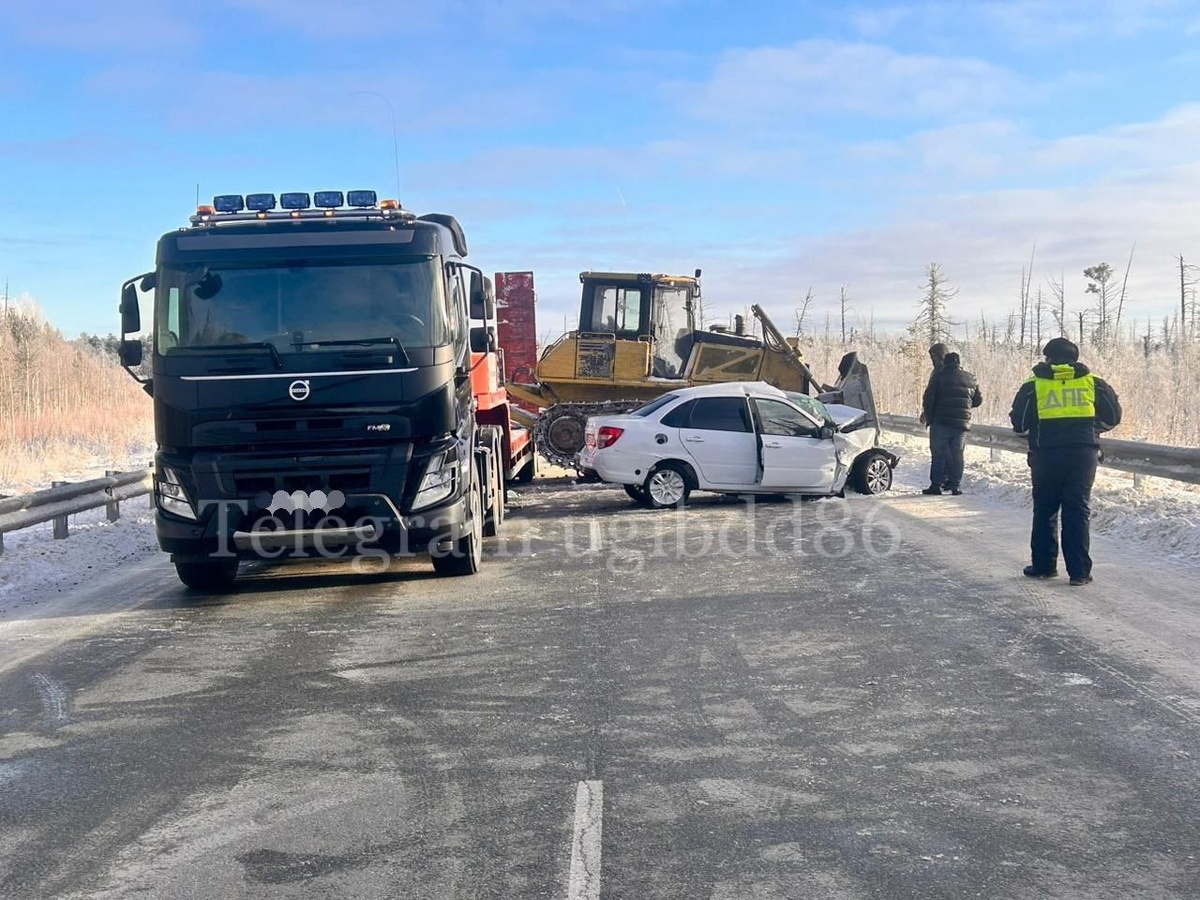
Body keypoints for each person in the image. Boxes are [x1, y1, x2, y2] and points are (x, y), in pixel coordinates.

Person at [1009, 337, 1122, 586]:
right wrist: (1092, 430)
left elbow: (1019, 423)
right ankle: (1079, 572)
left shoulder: (1033, 385)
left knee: (1045, 509)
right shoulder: (1093, 382)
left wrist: (1037, 433)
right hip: (1082, 455)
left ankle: (1043, 566)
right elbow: (1113, 416)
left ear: (1047, 358)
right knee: (1077, 510)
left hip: (1046, 454)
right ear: (1075, 358)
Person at [920, 350, 983, 495]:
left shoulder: (938, 376)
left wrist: (929, 415)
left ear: (945, 362)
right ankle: (955, 486)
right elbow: (978, 400)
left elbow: (928, 398)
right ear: (959, 362)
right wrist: (964, 407)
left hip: (940, 422)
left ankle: (936, 485)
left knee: (938, 454)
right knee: (957, 454)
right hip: (961, 424)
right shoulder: (971, 378)